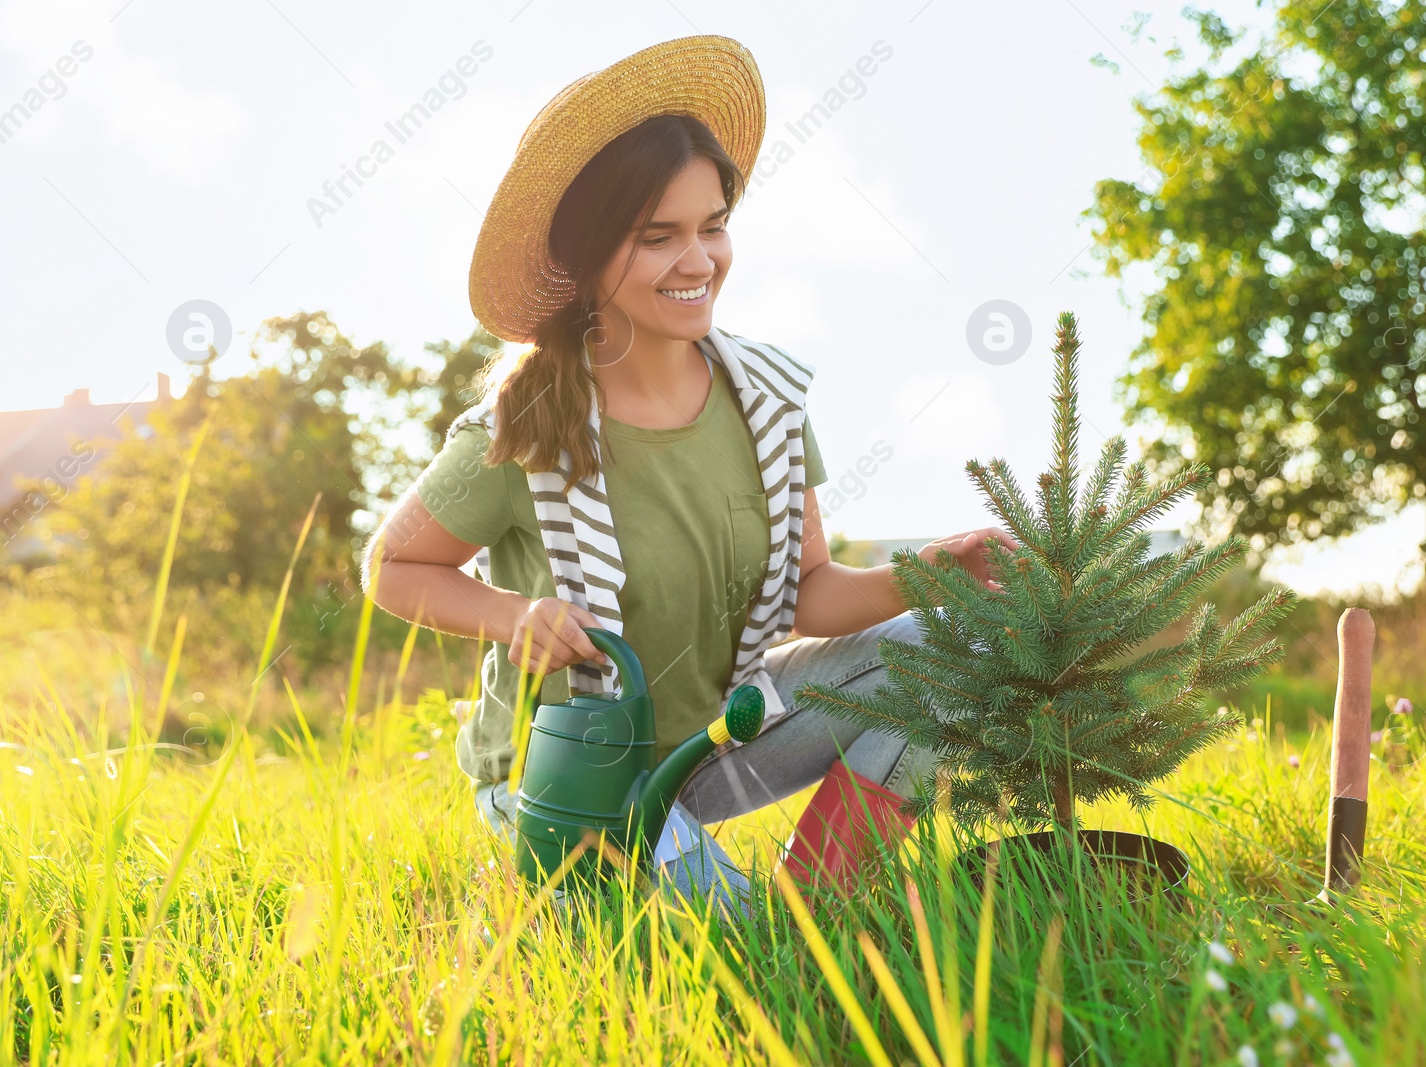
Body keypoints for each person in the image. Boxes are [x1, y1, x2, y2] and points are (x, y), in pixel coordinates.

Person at [361, 34, 1016, 922]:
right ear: (591, 259)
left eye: (713, 226)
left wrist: (936, 570)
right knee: (729, 945)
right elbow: (392, 569)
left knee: (954, 643)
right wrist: (516, 616)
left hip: (715, 742)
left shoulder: (770, 403)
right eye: (657, 236)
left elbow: (811, 594)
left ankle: (818, 901)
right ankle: (682, 903)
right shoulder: (528, 426)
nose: (699, 259)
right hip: (575, 768)